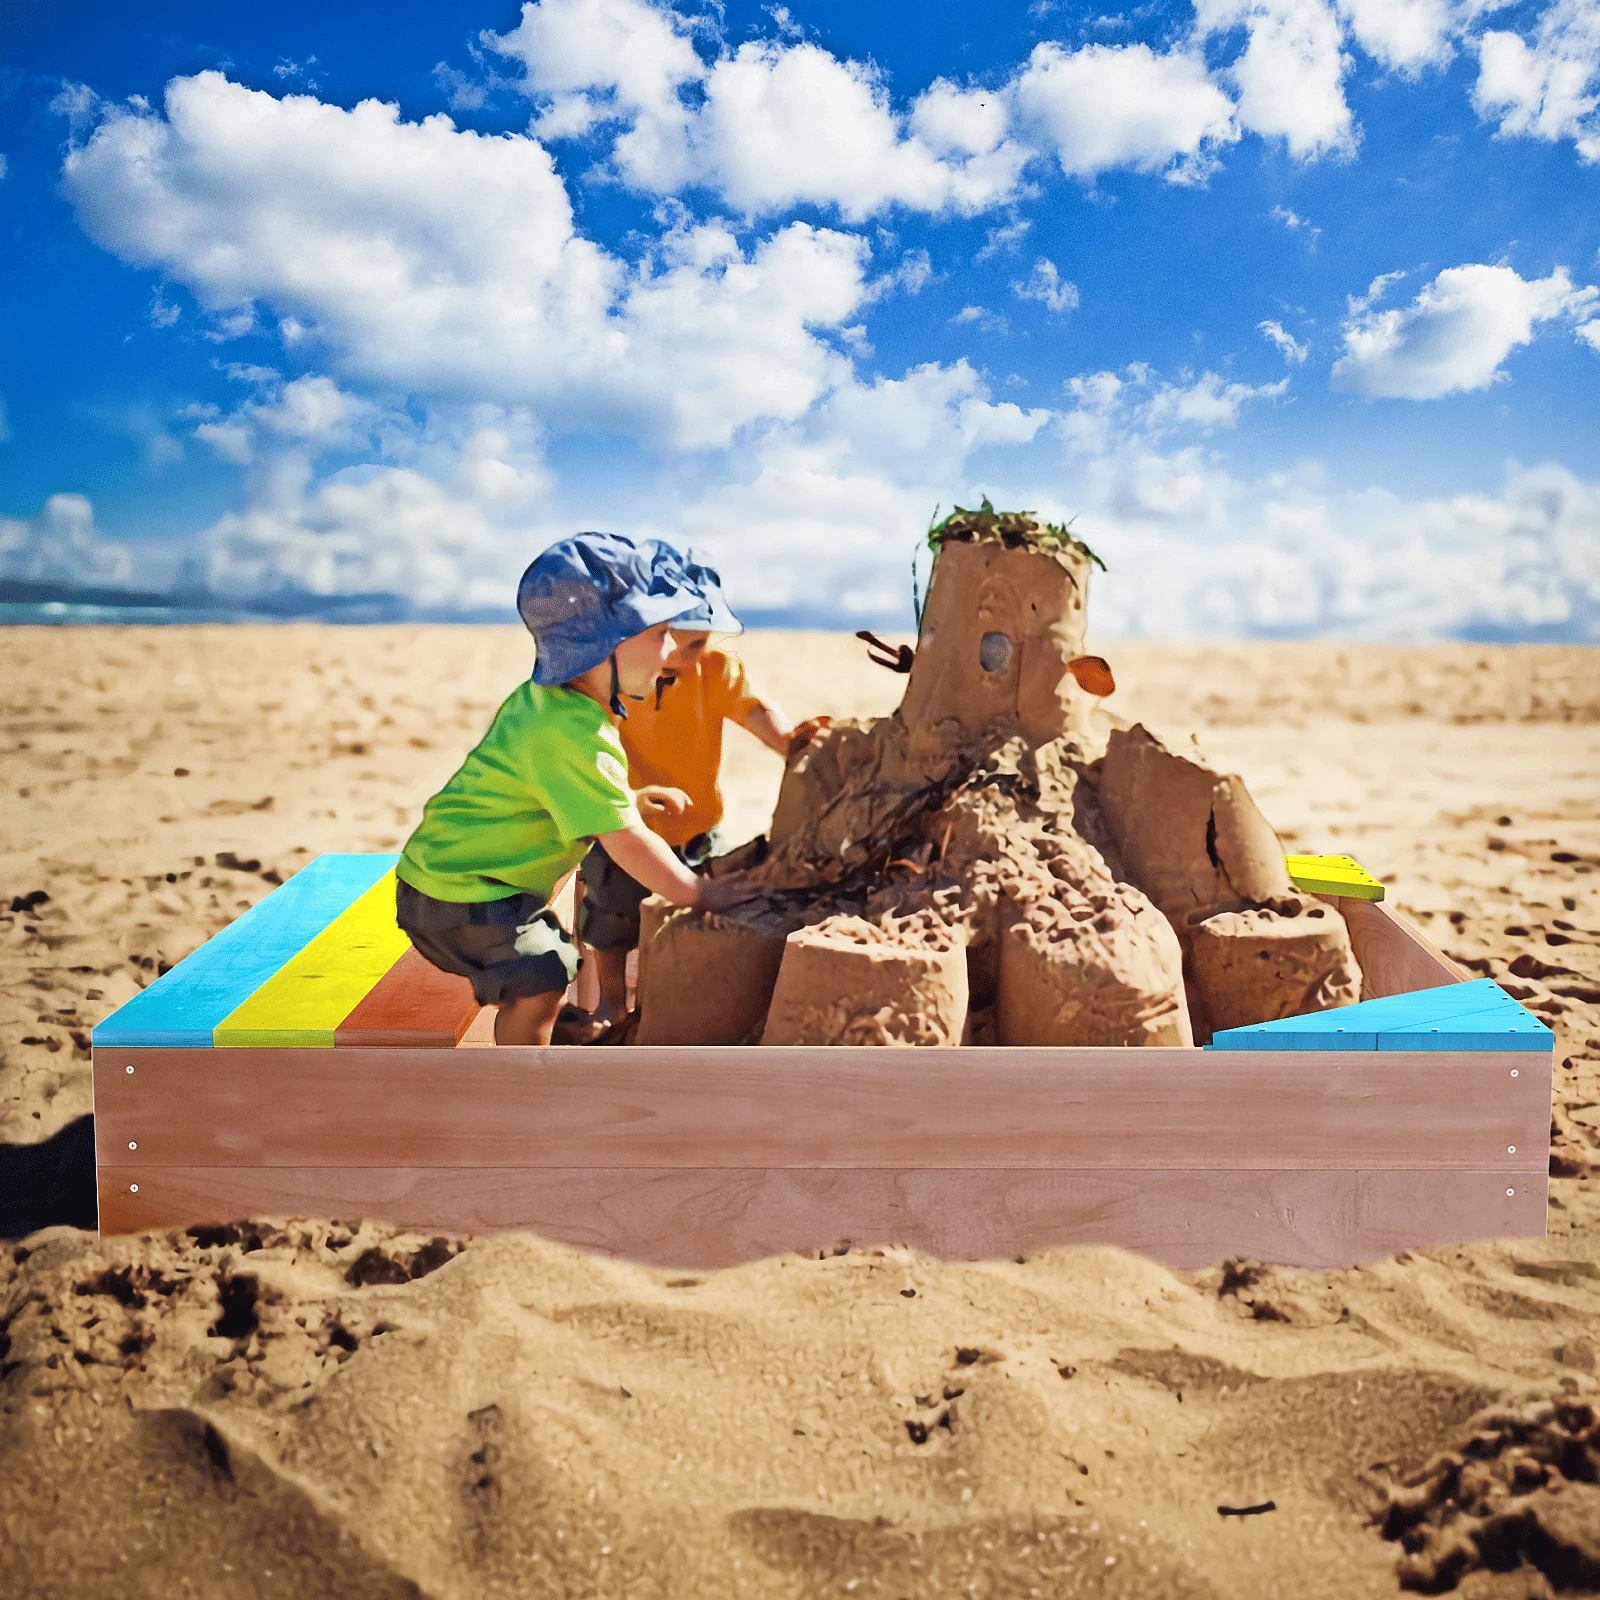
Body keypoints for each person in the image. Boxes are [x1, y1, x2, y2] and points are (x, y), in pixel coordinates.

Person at [395, 532, 751, 1046]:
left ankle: (545, 1029)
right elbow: (625, 842)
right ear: (602, 647)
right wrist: (699, 892)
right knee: (544, 973)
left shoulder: (557, 703)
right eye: (659, 636)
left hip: (458, 875)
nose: (672, 652)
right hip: (461, 892)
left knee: (550, 961)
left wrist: (628, 800)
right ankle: (524, 1080)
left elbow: (559, 788)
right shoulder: (571, 732)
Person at [567, 546, 829, 1039]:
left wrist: (790, 744)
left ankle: (679, 997)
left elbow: (753, 708)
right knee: (613, 915)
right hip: (627, 824)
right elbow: (585, 749)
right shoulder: (615, 674)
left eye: (698, 644)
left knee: (713, 902)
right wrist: (629, 795)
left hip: (700, 824)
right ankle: (612, 1004)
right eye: (673, 645)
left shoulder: (712, 669)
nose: (682, 659)